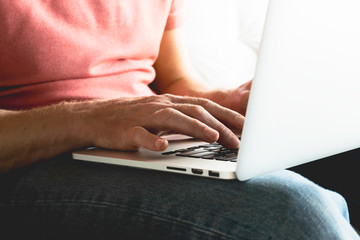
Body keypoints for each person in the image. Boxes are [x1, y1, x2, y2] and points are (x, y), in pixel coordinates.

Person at [0, 1, 358, 239]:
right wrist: (92, 118)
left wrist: (225, 102)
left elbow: (173, 78)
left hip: (143, 141)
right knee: (294, 214)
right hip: (33, 157)